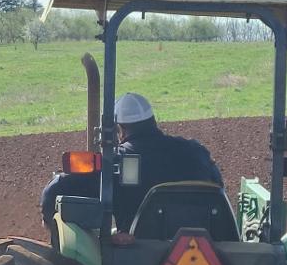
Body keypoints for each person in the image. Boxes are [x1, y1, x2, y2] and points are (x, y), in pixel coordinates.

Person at [40, 92, 223, 234]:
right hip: (202, 244)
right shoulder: (195, 151)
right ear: (153, 121)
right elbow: (217, 186)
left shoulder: (116, 161)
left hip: (136, 255)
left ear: (120, 129)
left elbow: (53, 192)